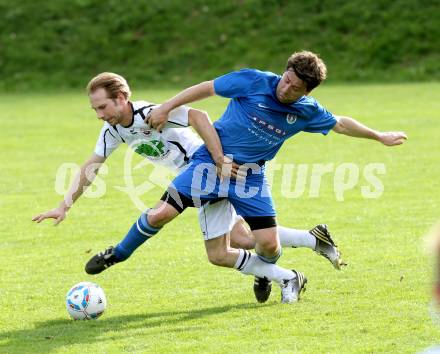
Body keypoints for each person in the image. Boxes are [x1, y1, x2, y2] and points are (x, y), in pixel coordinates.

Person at [86, 51, 407, 304]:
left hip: (251, 177)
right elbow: (207, 89)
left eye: (295, 88)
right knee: (161, 214)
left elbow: (339, 123)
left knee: (265, 245)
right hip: (209, 165)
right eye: (286, 79)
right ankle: (118, 254)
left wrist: (378, 136)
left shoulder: (307, 112)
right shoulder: (253, 81)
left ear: (307, 91)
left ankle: (276, 269)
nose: (286, 88)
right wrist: (168, 105)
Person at [32, 72, 342, 303]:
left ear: (121, 98)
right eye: (95, 110)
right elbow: (92, 165)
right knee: (242, 238)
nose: (100, 115)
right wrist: (65, 204)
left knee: (172, 222)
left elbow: (199, 114)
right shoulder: (112, 130)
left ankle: (118, 253)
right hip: (207, 173)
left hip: (204, 168)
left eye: (102, 107)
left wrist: (218, 157)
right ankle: (306, 244)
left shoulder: (149, 114)